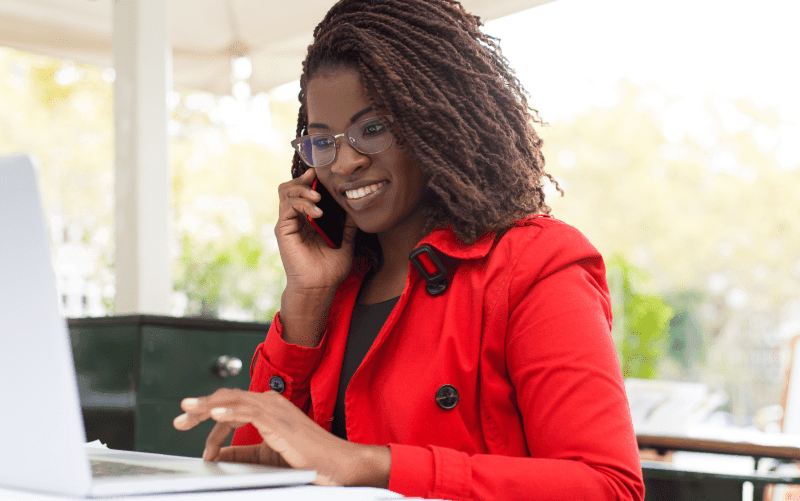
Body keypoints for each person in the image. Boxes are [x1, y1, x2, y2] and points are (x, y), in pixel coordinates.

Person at [173, 0, 644, 499]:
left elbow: (607, 486)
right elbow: (249, 471)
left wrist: (371, 464)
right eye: (322, 141)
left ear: (438, 117)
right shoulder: (336, 281)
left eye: (372, 129)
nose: (345, 162)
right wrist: (305, 302)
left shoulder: (533, 262)